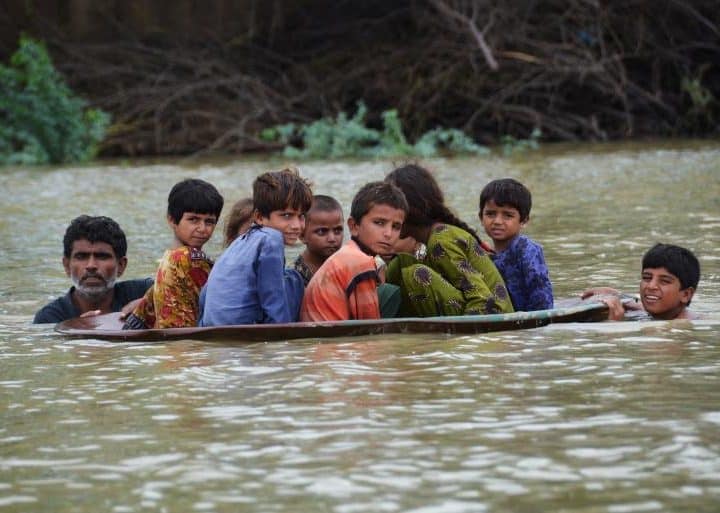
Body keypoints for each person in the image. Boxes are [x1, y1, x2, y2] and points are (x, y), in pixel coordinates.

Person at [384, 164, 514, 317]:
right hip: (473, 309)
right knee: (401, 264)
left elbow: (482, 301)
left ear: (411, 208)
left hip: (493, 316)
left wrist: (459, 341)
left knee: (416, 274)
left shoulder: (441, 240)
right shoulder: (430, 240)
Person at [200, 167, 312, 326]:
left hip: (212, 328)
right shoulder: (272, 239)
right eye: (286, 216)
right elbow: (273, 300)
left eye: (301, 216)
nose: (297, 225)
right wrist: (284, 341)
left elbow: (205, 293)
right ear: (259, 217)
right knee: (293, 279)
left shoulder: (238, 244)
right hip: (243, 330)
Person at [123, 178, 224, 329]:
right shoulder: (183, 257)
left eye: (209, 222)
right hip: (184, 344)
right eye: (193, 219)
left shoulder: (169, 259)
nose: (202, 228)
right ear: (172, 220)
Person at [300, 181, 408, 321]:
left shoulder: (349, 254)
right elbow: (370, 327)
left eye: (396, 227)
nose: (388, 233)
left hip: (321, 337)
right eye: (379, 223)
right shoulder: (359, 262)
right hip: (330, 340)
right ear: (354, 226)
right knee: (392, 293)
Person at [33, 215, 153, 323]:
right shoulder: (49, 319)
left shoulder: (145, 292)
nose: (91, 265)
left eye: (102, 256)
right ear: (67, 265)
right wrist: (78, 332)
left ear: (121, 265)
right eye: (81, 257)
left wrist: (149, 306)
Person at [479, 178, 553, 311]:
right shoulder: (483, 255)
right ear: (481, 217)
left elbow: (541, 294)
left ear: (523, 221)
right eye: (490, 214)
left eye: (507, 215)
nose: (497, 221)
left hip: (529, 319)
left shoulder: (527, 250)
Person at [582, 243, 700, 320]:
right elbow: (640, 306)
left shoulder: (681, 328)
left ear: (686, 294)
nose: (651, 286)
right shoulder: (664, 313)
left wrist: (614, 326)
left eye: (664, 281)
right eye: (647, 278)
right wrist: (616, 295)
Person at [293, 195, 345, 285]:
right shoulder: (295, 278)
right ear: (302, 236)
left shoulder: (346, 267)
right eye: (322, 232)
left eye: (337, 230)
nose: (332, 238)